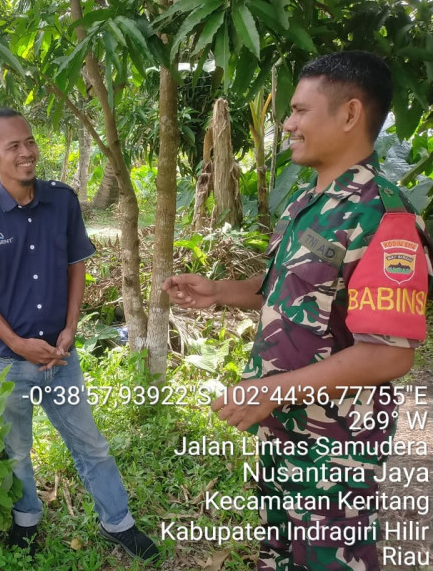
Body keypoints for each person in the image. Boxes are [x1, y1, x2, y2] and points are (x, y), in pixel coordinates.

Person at [164, 51, 429, 570]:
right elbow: (285, 292)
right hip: (283, 429)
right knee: (281, 554)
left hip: (335, 443)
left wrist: (268, 391)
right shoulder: (308, 202)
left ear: (350, 114)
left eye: (300, 111)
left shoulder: (384, 217)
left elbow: (388, 357)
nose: (287, 124)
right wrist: (216, 291)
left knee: (331, 558)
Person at [0, 108, 158, 562]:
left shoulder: (61, 201)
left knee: (91, 444)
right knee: (17, 450)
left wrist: (70, 327)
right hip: (10, 364)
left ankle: (117, 521)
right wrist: (17, 343)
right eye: (14, 146)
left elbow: (76, 266)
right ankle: (27, 519)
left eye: (30, 142)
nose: (27, 153)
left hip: (60, 360)